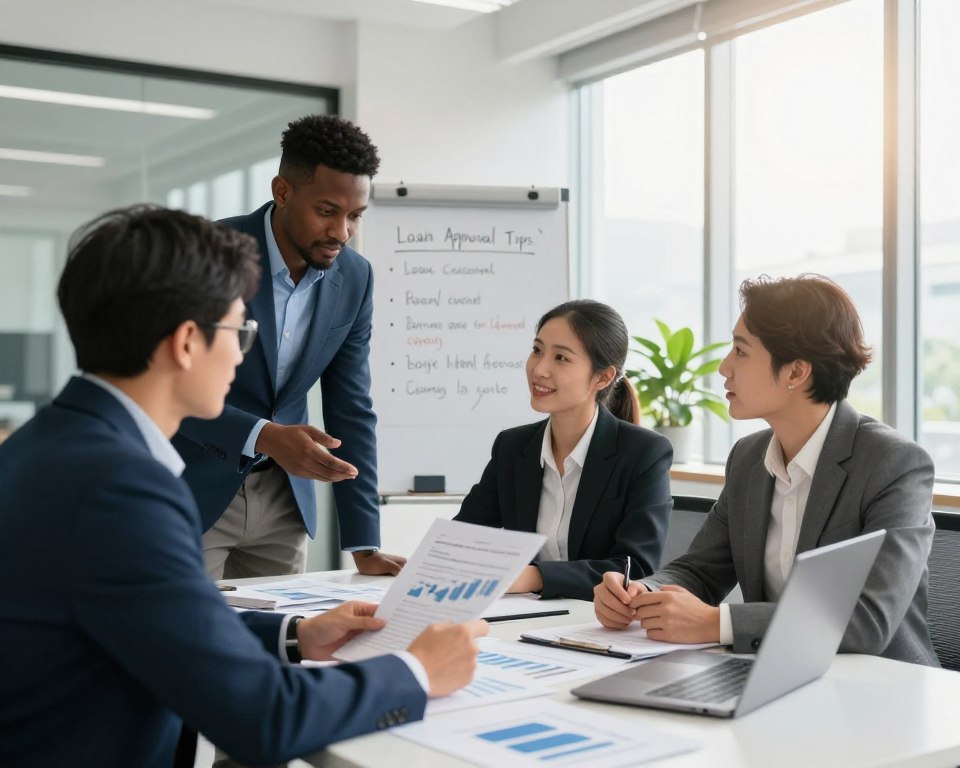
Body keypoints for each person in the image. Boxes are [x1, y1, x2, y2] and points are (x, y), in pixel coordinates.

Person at [0, 206, 487, 768]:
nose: (242, 353)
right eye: (241, 331)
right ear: (187, 342)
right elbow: (265, 715)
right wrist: (417, 671)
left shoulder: (43, 447)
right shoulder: (120, 489)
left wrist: (294, 634)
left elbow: (149, 617)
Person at [593, 275, 939, 666]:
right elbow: (701, 571)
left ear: (795, 372)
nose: (724, 367)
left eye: (740, 351)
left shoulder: (894, 464)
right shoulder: (748, 458)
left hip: (882, 683)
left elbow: (869, 620)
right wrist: (641, 593)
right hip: (776, 672)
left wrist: (718, 623)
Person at [172, 114, 404, 579]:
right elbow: (167, 385)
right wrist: (264, 436)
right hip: (193, 488)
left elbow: (351, 407)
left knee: (282, 625)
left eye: (355, 215)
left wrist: (364, 543)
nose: (342, 231)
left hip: (284, 501)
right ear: (282, 192)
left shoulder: (355, 277)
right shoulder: (208, 253)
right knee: (188, 625)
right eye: (327, 211)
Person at [454, 299, 673, 601]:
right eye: (537, 351)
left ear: (603, 377)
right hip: (524, 614)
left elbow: (636, 567)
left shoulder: (644, 453)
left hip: (598, 619)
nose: (539, 369)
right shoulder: (512, 447)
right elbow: (462, 541)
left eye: (561, 358)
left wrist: (534, 576)